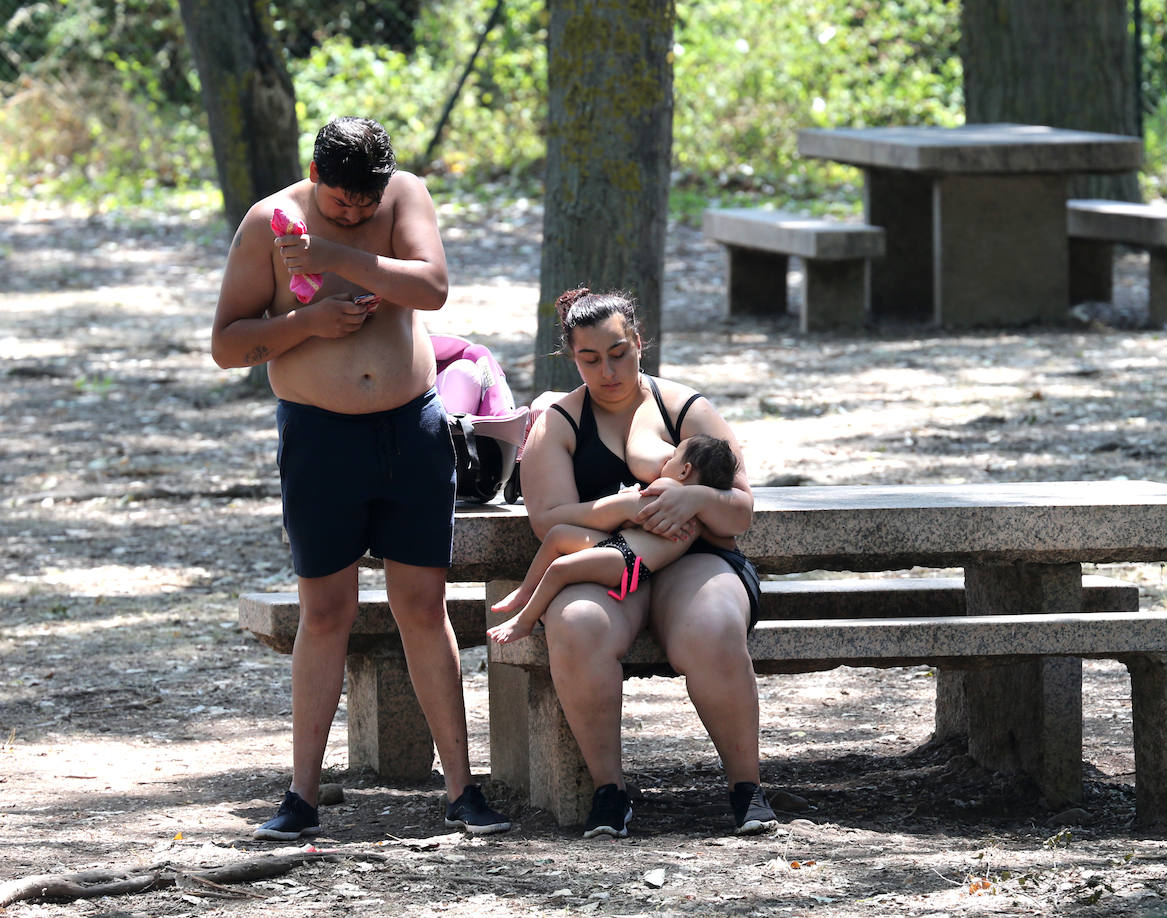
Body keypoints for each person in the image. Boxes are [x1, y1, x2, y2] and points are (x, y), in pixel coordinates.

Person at [209, 116, 510, 840]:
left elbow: (432, 286)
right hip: (319, 436)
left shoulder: (403, 197)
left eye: (364, 204)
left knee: (422, 607)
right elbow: (227, 344)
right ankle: (303, 797)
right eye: (341, 200)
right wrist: (308, 322)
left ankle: (462, 791)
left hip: (411, 429)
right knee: (327, 613)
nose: (355, 211)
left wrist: (337, 250)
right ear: (315, 176)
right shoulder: (267, 223)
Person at [514, 287, 778, 839]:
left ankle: (746, 789)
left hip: (696, 558)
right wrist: (626, 507)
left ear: (638, 342)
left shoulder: (687, 409)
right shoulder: (558, 424)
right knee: (577, 622)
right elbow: (550, 519)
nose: (607, 370)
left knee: (711, 624)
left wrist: (698, 499)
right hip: (612, 560)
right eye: (590, 359)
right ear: (572, 356)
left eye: (618, 353)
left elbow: (741, 511)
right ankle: (609, 792)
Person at [487, 434, 738, 645]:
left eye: (673, 457)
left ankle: (525, 620)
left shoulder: (668, 490)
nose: (666, 461)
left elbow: (632, 515)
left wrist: (630, 498)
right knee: (558, 535)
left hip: (627, 562)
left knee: (560, 568)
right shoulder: (695, 513)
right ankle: (525, 590)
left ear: (685, 470)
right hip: (621, 547)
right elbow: (640, 523)